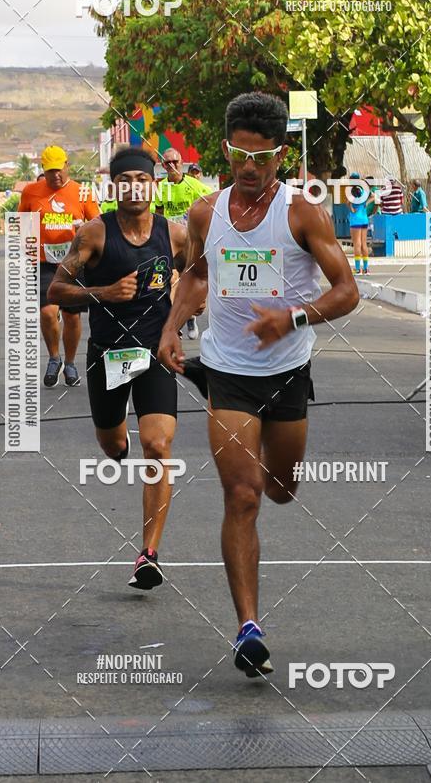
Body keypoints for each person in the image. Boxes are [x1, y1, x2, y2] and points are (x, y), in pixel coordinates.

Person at [157, 92, 359, 677]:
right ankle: (248, 628)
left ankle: (273, 470)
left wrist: (292, 318)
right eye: (240, 155)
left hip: (287, 370)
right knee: (242, 495)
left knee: (280, 489)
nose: (249, 168)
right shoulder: (205, 213)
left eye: (262, 157)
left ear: (280, 155)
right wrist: (171, 326)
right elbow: (196, 275)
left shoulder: (303, 213)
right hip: (228, 371)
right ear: (227, 149)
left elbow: (347, 292)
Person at [48, 146, 187, 589]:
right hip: (108, 355)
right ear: (113, 188)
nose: (133, 188)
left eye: (141, 180)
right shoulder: (94, 234)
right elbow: (56, 290)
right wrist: (104, 293)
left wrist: (183, 307)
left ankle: (149, 554)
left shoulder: (175, 235)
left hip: (155, 354)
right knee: (112, 446)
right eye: (124, 181)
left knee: (158, 445)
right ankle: (118, 441)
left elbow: (199, 279)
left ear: (153, 185)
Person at [18, 145, 99, 387]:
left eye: (59, 169)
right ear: (44, 170)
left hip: (74, 264)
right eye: (50, 171)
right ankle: (54, 358)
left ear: (67, 166)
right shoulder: (31, 192)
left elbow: (97, 224)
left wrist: (83, 228)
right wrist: (26, 248)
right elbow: (21, 223)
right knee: (47, 312)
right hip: (45, 263)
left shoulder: (82, 192)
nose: (56, 175)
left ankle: (70, 363)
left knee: (71, 317)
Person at [154, 148, 213, 340]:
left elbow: (213, 206)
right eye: (167, 163)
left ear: (181, 163)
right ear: (163, 165)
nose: (172, 165)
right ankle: (172, 324)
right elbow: (158, 213)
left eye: (175, 162)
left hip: (191, 242)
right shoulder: (160, 187)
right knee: (172, 279)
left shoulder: (194, 185)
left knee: (191, 281)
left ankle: (190, 317)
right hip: (170, 241)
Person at [348, 183, 374, 274]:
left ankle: (357, 269)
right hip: (364, 219)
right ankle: (366, 269)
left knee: (357, 244)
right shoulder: (364, 191)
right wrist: (366, 203)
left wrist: (351, 207)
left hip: (355, 220)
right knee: (364, 243)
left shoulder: (351, 191)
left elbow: (349, 204)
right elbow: (374, 196)